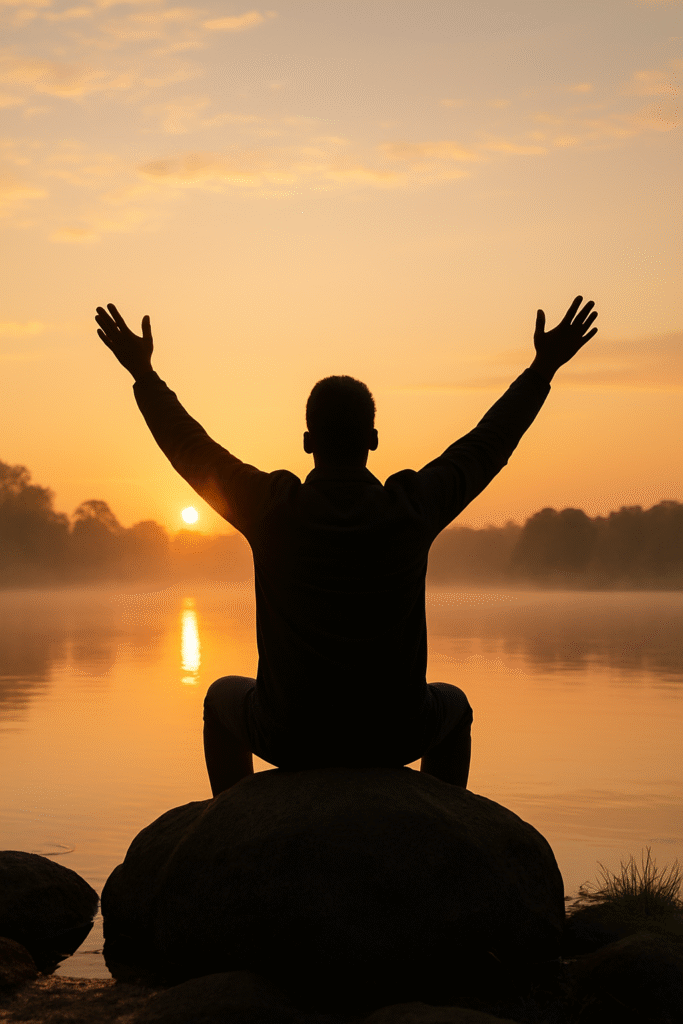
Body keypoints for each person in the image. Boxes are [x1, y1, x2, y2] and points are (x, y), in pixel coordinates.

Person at [95, 295, 597, 795]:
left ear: (309, 441)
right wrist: (542, 369)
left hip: (290, 736)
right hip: (394, 737)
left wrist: (144, 374)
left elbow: (192, 449)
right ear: (373, 440)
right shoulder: (411, 509)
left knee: (219, 699)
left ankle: (228, 821)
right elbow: (486, 445)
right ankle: (441, 828)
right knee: (455, 705)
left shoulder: (272, 510)